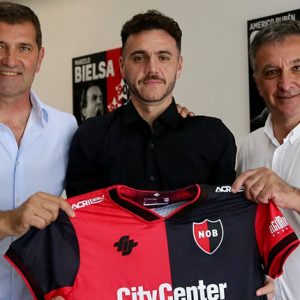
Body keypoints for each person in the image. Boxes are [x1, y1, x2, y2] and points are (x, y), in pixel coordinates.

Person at [65, 10, 272, 298]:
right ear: (122, 66)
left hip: (197, 287)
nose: (152, 68)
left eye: (163, 57)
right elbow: (80, 224)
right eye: (139, 57)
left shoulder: (212, 136)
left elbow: (227, 222)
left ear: (179, 65)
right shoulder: (90, 136)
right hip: (117, 287)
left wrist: (257, 272)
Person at [0, 2, 76, 300]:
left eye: (24, 48)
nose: (10, 59)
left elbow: (92, 207)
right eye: (0, 46)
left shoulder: (66, 128)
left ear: (40, 57)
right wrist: (9, 221)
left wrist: (171, 118)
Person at [232, 20, 300, 299]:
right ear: (258, 83)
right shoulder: (247, 147)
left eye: (297, 67)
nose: (286, 83)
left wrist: (291, 195)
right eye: (272, 72)